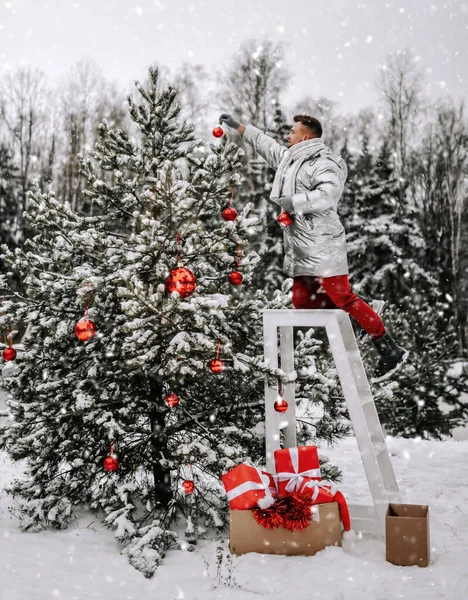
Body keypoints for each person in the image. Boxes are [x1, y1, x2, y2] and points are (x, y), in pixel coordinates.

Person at [218, 112, 408, 382]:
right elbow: (268, 145)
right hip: (301, 247)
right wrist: (240, 127)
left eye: (292, 132)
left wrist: (293, 202)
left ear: (306, 137)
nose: (287, 136)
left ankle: (388, 348)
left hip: (324, 243)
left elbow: (327, 195)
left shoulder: (324, 162)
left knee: (342, 297)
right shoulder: (292, 159)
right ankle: (358, 312)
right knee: (301, 301)